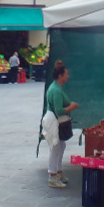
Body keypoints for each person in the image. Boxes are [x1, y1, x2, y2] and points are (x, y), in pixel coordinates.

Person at [45, 60, 79, 188]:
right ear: (60, 76)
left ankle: (58, 171)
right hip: (54, 120)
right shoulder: (56, 90)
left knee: (61, 145)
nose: (68, 76)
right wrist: (72, 107)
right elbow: (59, 110)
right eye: (66, 74)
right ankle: (52, 175)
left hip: (54, 119)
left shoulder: (56, 87)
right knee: (56, 147)